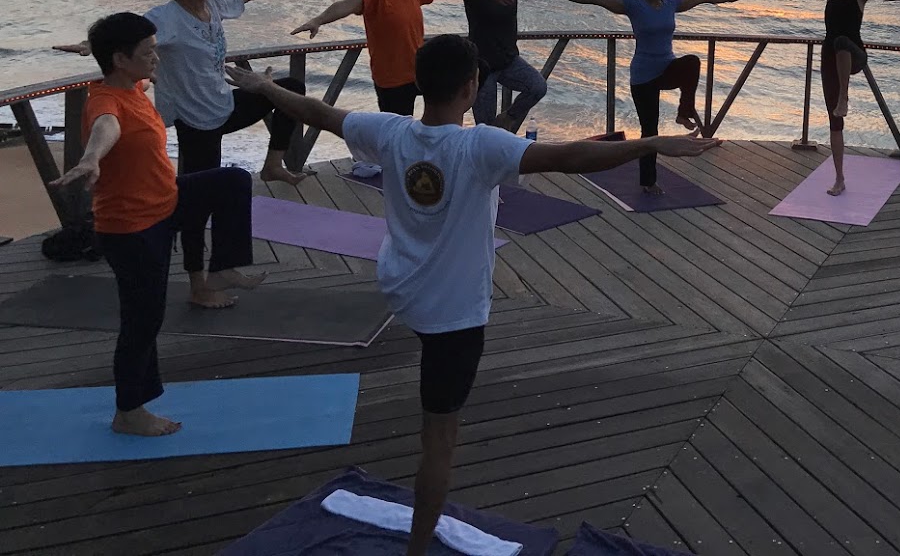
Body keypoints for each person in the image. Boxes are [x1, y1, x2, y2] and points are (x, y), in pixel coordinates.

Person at [227, 36, 721, 556]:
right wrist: (648, 143)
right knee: (438, 439)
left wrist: (264, 85)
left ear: (420, 84)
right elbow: (569, 156)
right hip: (452, 314)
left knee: (435, 404)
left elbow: (317, 112)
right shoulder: (480, 146)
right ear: (471, 87)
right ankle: (418, 549)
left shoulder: (388, 130)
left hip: (401, 286)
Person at [51, 13, 264, 438]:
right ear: (120, 59)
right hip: (131, 228)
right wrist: (91, 157)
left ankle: (222, 268)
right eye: (149, 52)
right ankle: (129, 410)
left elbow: (142, 83)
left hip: (167, 203)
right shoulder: (105, 102)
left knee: (233, 181)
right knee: (143, 319)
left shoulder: (135, 87)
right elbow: (106, 127)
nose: (157, 58)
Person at [53, 0, 310, 186]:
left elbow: (235, 0)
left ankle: (273, 165)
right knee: (201, 196)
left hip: (224, 105)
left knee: (291, 90)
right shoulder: (167, 17)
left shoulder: (213, 5)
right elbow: (128, 32)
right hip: (195, 119)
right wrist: (90, 44)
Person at [740, 0, 900, 196]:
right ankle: (839, 178)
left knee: (841, 42)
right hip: (829, 59)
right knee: (835, 120)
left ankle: (844, 97)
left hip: (856, 55)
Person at [550, 0, 746, 193]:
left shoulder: (671, 4)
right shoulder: (633, 6)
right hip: (643, 77)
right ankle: (648, 182)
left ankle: (683, 114)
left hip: (666, 69)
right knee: (650, 131)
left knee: (692, 62)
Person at [292, 0, 515, 116]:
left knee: (477, 67)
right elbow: (347, 5)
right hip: (392, 80)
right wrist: (318, 20)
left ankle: (442, 126)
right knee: (396, 136)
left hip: (420, 72)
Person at [462, 0, 594, 131]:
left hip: (509, 61)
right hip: (482, 67)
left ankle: (508, 118)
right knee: (485, 127)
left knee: (538, 87)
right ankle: (491, 147)